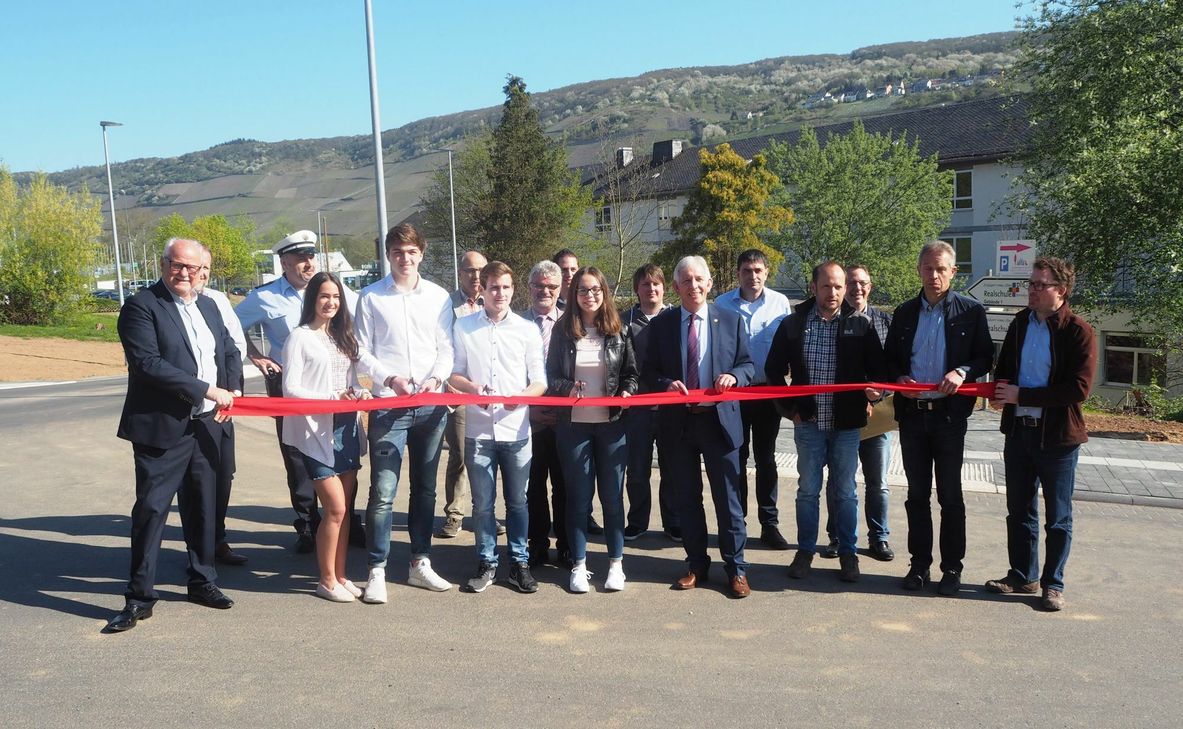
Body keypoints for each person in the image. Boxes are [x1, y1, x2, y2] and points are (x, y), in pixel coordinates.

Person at [106, 238, 242, 632]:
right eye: (177, 265)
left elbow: (228, 352)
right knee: (151, 511)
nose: (185, 274)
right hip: (162, 428)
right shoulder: (141, 306)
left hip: (207, 425)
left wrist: (229, 393)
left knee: (204, 507)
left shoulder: (210, 305)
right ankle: (139, 597)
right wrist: (205, 390)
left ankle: (202, 580)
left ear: (203, 270)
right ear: (163, 263)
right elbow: (148, 364)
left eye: (193, 268)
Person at [235, 230, 362, 552]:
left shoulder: (333, 290)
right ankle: (308, 523)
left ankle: (347, 520)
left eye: (311, 257)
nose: (308, 264)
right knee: (298, 456)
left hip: (334, 385)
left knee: (343, 455)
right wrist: (255, 354)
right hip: (290, 386)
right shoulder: (265, 297)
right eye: (301, 259)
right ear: (284, 262)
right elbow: (231, 327)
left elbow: (360, 316)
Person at [765, 261, 885, 584]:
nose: (832, 293)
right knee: (808, 491)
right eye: (826, 286)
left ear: (845, 289)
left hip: (846, 426)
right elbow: (773, 370)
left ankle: (848, 554)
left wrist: (874, 395)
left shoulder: (861, 325)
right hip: (808, 425)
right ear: (814, 287)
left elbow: (879, 374)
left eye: (838, 287)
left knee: (845, 491)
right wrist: (790, 408)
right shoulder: (794, 324)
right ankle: (805, 551)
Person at [884, 240, 993, 596]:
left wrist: (962, 371)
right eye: (928, 268)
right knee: (916, 495)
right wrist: (899, 379)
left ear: (953, 272)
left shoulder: (970, 312)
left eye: (941, 269)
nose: (934, 275)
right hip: (913, 417)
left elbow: (985, 357)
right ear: (919, 270)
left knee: (950, 496)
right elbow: (891, 361)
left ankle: (952, 569)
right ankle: (919, 566)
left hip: (948, 418)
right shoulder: (903, 313)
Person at [986, 257, 1096, 611]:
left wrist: (1023, 396)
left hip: (1058, 439)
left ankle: (1053, 584)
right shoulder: (1020, 323)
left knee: (1058, 517)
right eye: (1030, 284)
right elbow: (1004, 369)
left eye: (1039, 285)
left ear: (1060, 291)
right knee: (1018, 510)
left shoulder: (1079, 331)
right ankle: (1022, 575)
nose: (1031, 291)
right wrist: (999, 393)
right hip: (1019, 432)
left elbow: (1078, 389)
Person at [642, 255, 755, 598]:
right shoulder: (662, 325)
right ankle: (696, 564)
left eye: (699, 280)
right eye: (686, 281)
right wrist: (665, 384)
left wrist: (734, 376)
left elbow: (749, 365)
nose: (693, 286)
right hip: (678, 425)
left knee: (728, 500)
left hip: (719, 422)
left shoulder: (731, 320)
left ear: (709, 284)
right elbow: (648, 374)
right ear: (675, 287)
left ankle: (735, 569)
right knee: (687, 498)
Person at [354, 223, 455, 603]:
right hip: (388, 406)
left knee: (425, 489)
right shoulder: (371, 297)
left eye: (411, 251)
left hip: (430, 406)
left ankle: (419, 562)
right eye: (398, 251)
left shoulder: (438, 296)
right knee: (382, 491)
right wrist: (390, 377)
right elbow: (362, 350)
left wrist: (436, 378)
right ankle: (376, 569)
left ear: (421, 254)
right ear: (388, 255)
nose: (405, 258)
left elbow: (446, 347)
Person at [282, 272, 388, 602]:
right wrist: (331, 397)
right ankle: (325, 580)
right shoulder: (299, 337)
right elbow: (290, 389)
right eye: (324, 296)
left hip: (346, 428)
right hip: (315, 430)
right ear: (312, 298)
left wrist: (360, 391)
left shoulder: (343, 336)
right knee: (335, 508)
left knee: (344, 511)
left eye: (336, 297)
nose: (331, 302)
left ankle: (340, 575)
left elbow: (355, 378)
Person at [449, 261, 547, 594]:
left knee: (518, 502)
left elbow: (540, 381)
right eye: (493, 287)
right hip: (478, 432)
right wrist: (473, 390)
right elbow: (454, 374)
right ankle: (487, 562)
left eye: (505, 287)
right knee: (483, 504)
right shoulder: (464, 327)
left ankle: (519, 562)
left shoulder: (526, 329)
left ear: (512, 289)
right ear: (483, 289)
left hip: (516, 432)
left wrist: (520, 397)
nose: (500, 294)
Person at [547, 266, 640, 593]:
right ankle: (580, 565)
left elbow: (631, 374)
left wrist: (628, 391)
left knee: (612, 498)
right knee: (579, 499)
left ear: (604, 293)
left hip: (612, 427)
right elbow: (551, 378)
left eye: (596, 290)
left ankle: (616, 564)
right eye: (584, 290)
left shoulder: (620, 331)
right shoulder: (562, 331)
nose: (590, 296)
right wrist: (567, 388)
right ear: (575, 295)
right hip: (574, 428)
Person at [714, 249, 793, 550]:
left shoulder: (780, 303)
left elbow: (788, 345)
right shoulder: (721, 304)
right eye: (747, 270)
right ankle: (738, 523)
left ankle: (769, 524)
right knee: (736, 458)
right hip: (733, 394)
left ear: (767, 272)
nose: (753, 276)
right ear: (738, 274)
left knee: (766, 459)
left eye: (758, 270)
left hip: (766, 392)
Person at [822, 264, 895, 562]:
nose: (856, 288)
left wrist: (880, 393)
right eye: (850, 283)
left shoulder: (885, 322)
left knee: (877, 482)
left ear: (870, 286)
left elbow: (892, 370)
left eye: (862, 283)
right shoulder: (834, 321)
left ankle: (879, 537)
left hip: (877, 418)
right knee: (840, 480)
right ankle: (837, 536)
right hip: (841, 416)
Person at [194, 247, 249, 566]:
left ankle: (217, 540)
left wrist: (233, 389)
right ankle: (198, 550)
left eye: (205, 268)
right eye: (195, 267)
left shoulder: (216, 301)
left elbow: (233, 348)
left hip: (222, 408)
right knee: (195, 484)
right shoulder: (161, 304)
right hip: (191, 408)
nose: (200, 273)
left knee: (223, 474)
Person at [621, 264, 679, 542]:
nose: (652, 289)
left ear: (664, 287)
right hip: (637, 408)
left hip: (670, 407)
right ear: (637, 289)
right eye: (645, 284)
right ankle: (637, 521)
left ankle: (673, 522)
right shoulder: (624, 321)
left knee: (671, 468)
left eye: (656, 284)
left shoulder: (676, 319)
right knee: (637, 469)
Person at [436, 249, 488, 539]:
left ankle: (486, 513)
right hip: (457, 394)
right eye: (470, 270)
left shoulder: (492, 302)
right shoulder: (446, 306)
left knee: (488, 456)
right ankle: (455, 513)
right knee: (460, 455)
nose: (476, 276)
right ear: (460, 274)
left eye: (481, 270)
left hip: (489, 395)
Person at [522, 260, 570, 569]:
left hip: (567, 419)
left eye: (552, 287)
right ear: (529, 288)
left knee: (566, 486)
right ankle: (537, 544)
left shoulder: (571, 322)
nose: (545, 291)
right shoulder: (516, 325)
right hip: (529, 419)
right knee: (534, 487)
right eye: (539, 286)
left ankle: (566, 545)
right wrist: (532, 409)